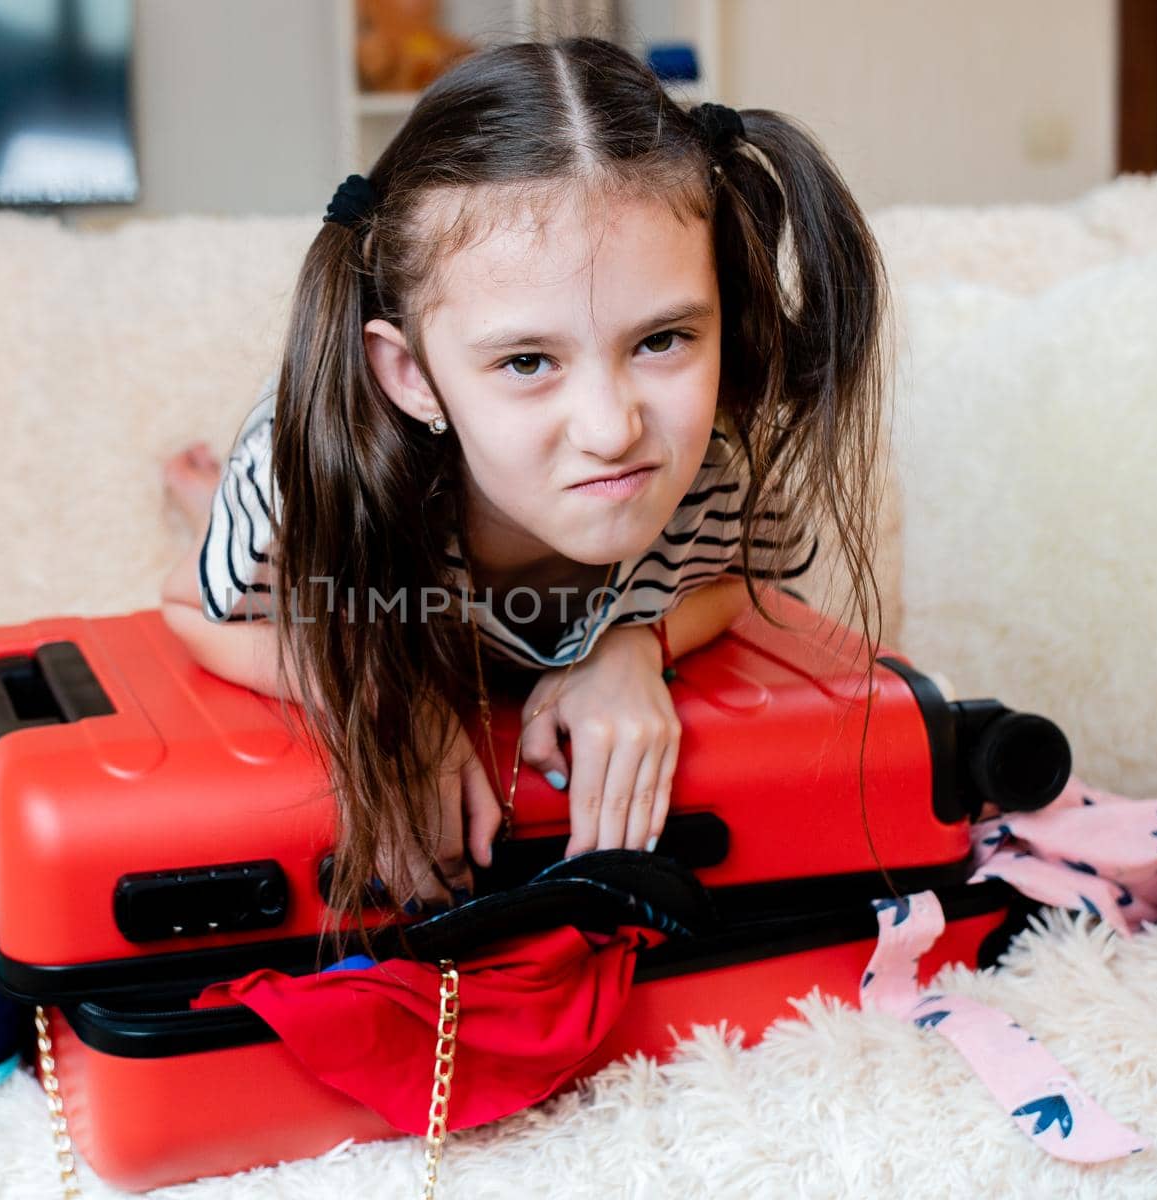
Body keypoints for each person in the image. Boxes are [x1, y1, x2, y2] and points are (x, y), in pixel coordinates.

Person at [160, 37, 888, 930]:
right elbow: (189, 610)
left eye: (662, 340)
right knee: (260, 571)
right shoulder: (298, 483)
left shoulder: (707, 466)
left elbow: (743, 581)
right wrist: (392, 695)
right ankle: (204, 499)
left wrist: (633, 646)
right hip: (352, 479)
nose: (613, 430)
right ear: (415, 375)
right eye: (528, 360)